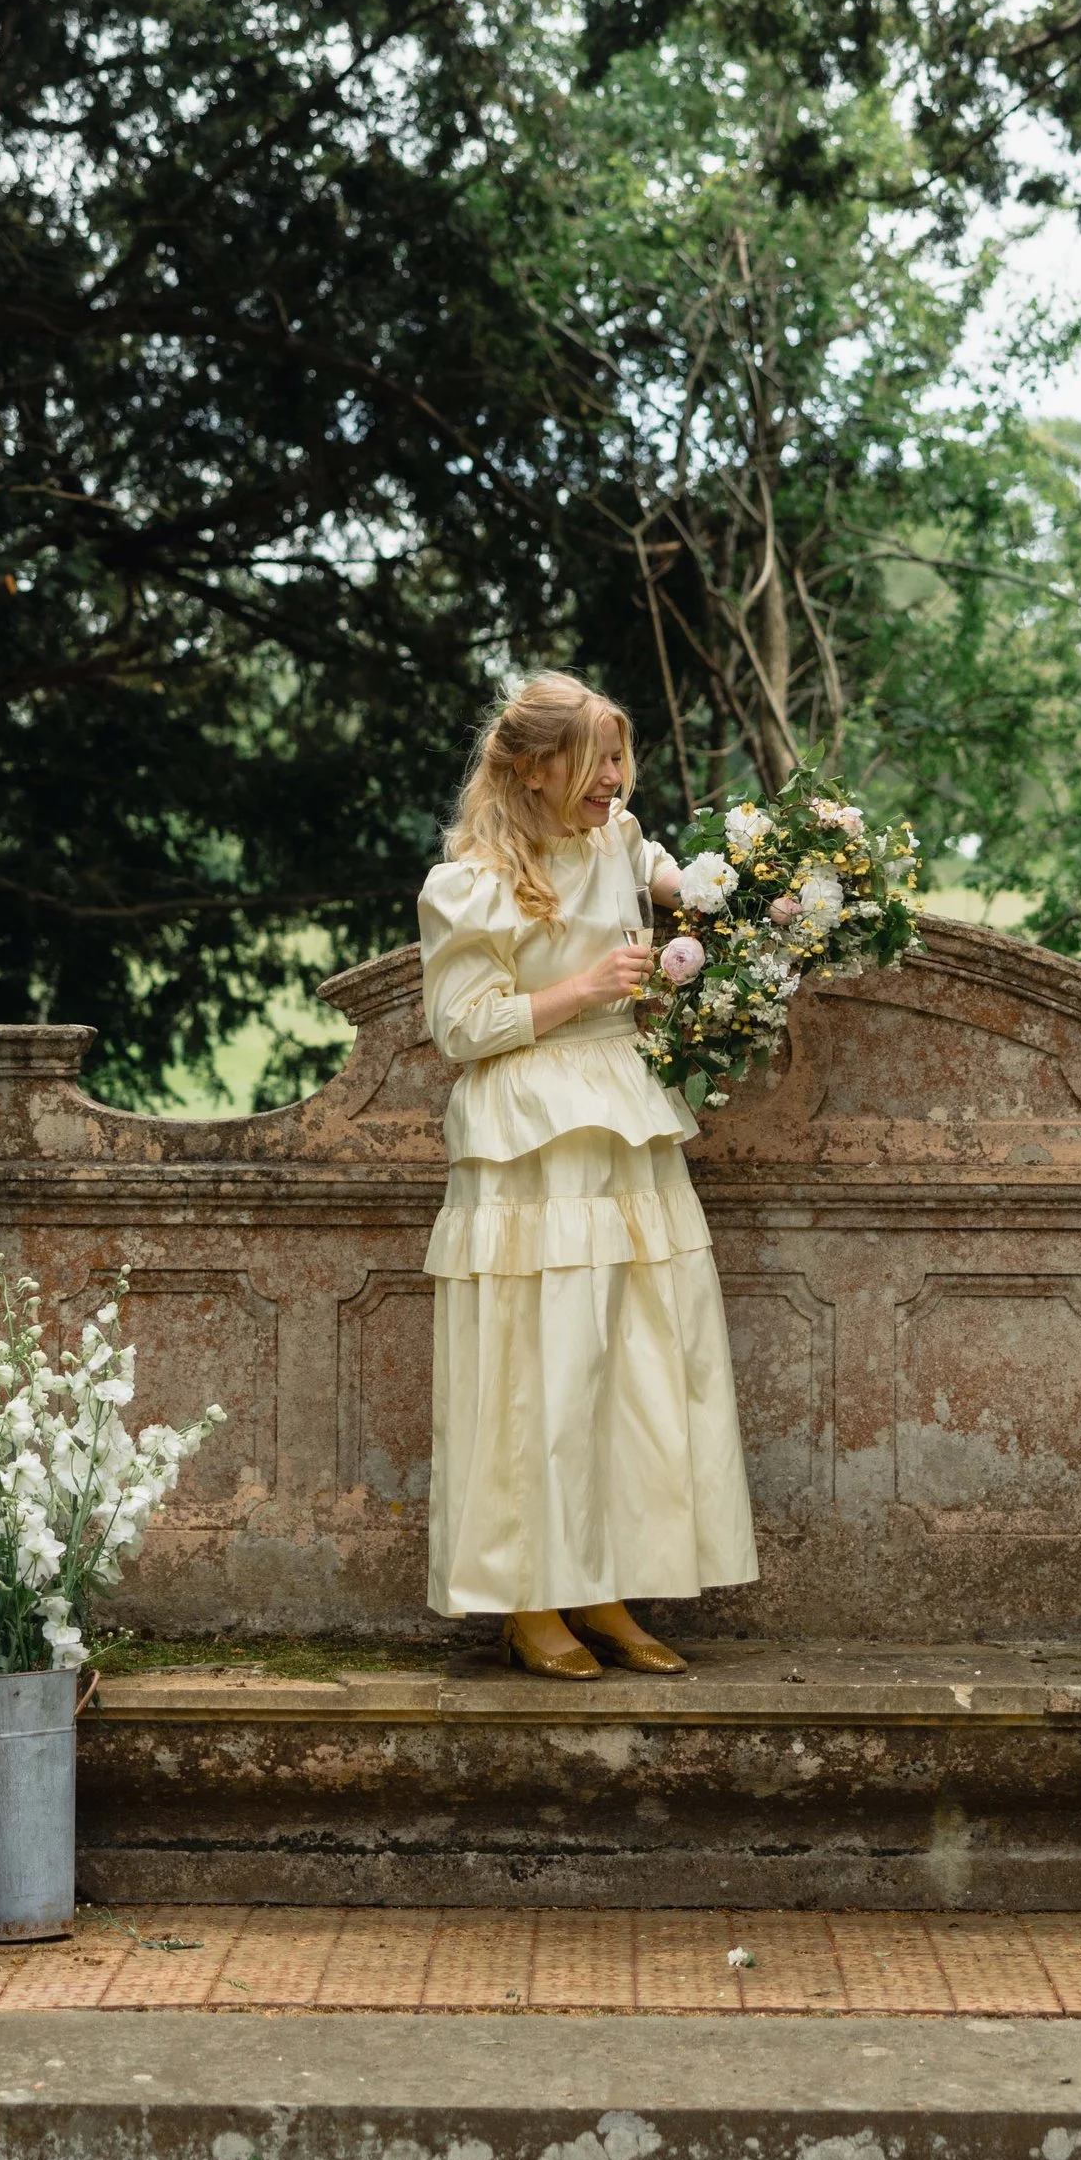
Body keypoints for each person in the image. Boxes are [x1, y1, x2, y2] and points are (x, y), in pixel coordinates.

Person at [417, 673, 758, 1676]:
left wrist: (772, 884)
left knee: (631, 1360)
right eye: (595, 759)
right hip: (530, 1136)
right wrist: (586, 986)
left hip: (624, 1125)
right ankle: (531, 1602)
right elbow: (462, 1028)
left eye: (619, 758)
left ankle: (603, 1584)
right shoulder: (470, 882)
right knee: (539, 1370)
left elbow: (690, 888)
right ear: (530, 766)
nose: (614, 778)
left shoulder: (619, 842)